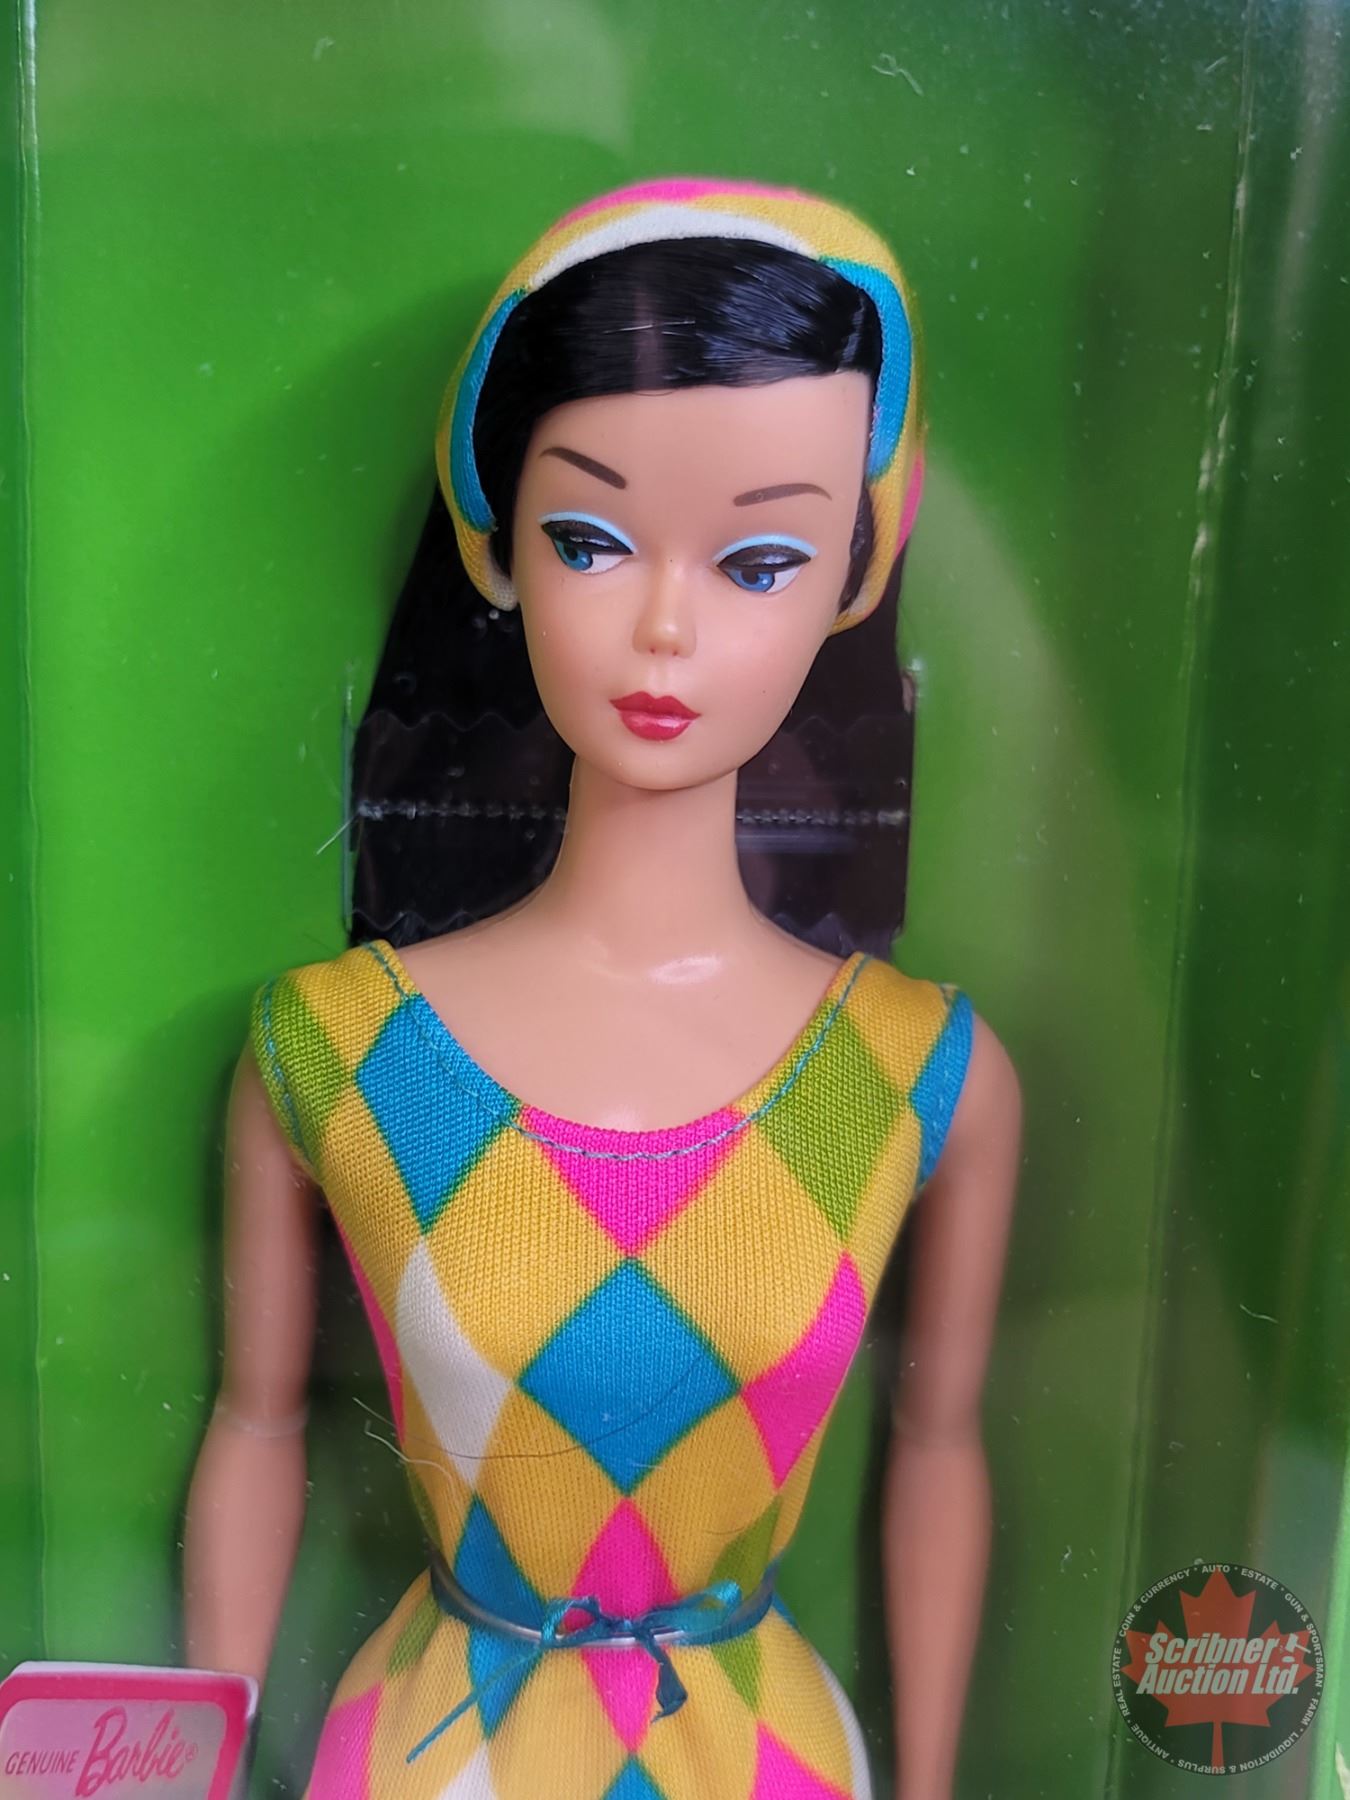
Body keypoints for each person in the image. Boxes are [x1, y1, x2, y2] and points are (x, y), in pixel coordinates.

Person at [183, 177, 1022, 1800]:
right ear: (498, 547)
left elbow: (941, 1449)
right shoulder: (336, 1051)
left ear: (853, 576)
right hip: (432, 1755)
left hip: (764, 1757)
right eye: (589, 539)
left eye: (759, 560)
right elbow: (254, 1427)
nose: (661, 628)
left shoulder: (918, 1075)